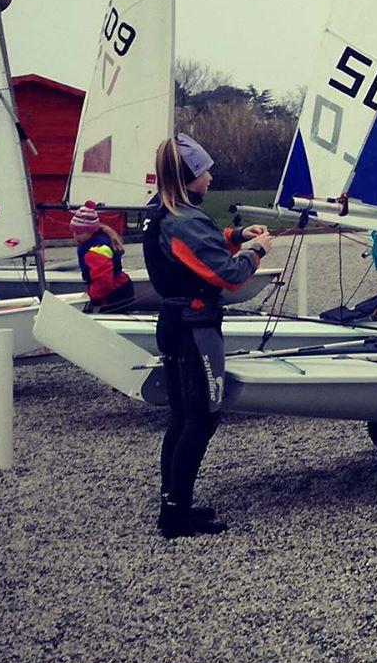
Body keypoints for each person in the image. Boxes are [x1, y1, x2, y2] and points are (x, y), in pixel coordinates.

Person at [142, 133, 273, 539]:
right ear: (189, 177)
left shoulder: (163, 212)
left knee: (183, 417)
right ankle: (176, 515)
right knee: (201, 419)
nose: (212, 178)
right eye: (205, 171)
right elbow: (228, 275)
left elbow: (199, 247)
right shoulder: (185, 221)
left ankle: (173, 502)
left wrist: (237, 237)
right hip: (194, 330)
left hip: (176, 324)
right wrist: (257, 250)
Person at [69, 200, 136, 312]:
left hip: (116, 293)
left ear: (90, 232)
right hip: (119, 288)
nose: (74, 236)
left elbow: (103, 281)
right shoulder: (98, 239)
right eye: (74, 232)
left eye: (78, 233)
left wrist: (91, 297)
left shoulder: (96, 251)